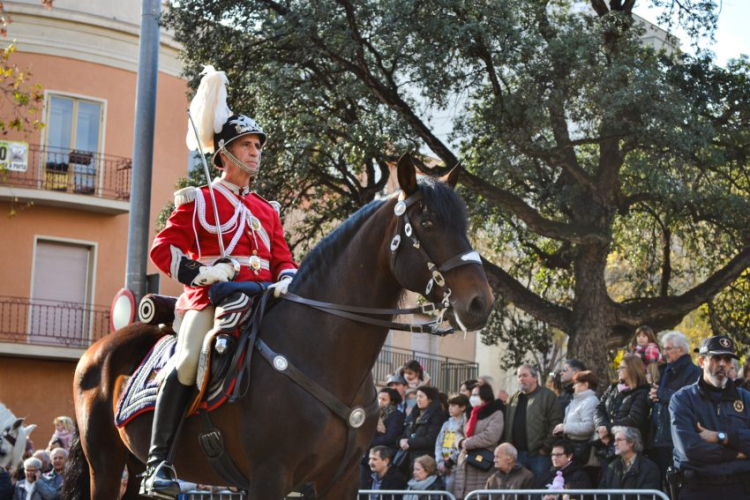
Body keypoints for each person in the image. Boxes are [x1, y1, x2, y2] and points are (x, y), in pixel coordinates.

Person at [144, 66, 298, 499]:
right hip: (210, 298)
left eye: (257, 146)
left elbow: (282, 257)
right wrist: (200, 273)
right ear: (224, 156)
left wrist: (287, 278)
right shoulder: (199, 200)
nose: (255, 153)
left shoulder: (268, 210)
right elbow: (161, 249)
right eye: (246, 146)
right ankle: (158, 464)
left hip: (261, 296)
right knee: (190, 359)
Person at [671, 335, 750, 498]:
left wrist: (723, 437)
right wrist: (738, 453)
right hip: (699, 489)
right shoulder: (683, 399)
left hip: (739, 489)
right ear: (701, 362)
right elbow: (690, 449)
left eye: (727, 359)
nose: (722, 364)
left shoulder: (745, 399)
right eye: (716, 358)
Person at [648, 330, 700, 481]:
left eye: (668, 349)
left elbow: (689, 400)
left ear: (681, 350)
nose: (664, 353)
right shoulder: (665, 370)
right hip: (660, 438)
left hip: (678, 438)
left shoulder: (695, 372)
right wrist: (651, 394)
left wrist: (661, 394)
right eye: (663, 349)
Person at [504, 364, 563, 481]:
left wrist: (545, 448)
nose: (521, 379)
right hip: (517, 454)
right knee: (518, 489)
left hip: (538, 455)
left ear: (535, 378)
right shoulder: (513, 398)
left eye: (525, 375)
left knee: (538, 488)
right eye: (519, 376)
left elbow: (555, 423)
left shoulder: (548, 396)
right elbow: (507, 423)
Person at [594, 354, 650, 466]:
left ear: (632, 369)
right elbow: (599, 408)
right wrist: (601, 427)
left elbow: (634, 419)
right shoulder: (613, 388)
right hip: (607, 444)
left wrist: (608, 429)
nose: (618, 370)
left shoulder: (642, 392)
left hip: (628, 446)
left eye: (622, 367)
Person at [453, 383, 504, 499]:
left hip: (481, 462)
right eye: (472, 394)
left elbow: (491, 435)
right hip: (464, 461)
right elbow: (459, 431)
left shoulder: (495, 413)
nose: (472, 397)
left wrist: (468, 443)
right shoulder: (470, 413)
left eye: (476, 394)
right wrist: (461, 442)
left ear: (485, 396)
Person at [361, 387, 406, 490]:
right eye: (379, 398)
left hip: (385, 456)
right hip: (367, 457)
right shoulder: (373, 414)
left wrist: (368, 443)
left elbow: (390, 437)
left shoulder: (397, 416)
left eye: (384, 399)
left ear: (392, 402)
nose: (380, 402)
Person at [552, 371, 599, 469]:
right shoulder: (577, 400)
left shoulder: (590, 401)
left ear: (585, 384)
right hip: (573, 446)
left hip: (581, 449)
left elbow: (589, 427)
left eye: (576, 384)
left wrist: (565, 428)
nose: (573, 387)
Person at [599, 426, 660, 499]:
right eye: (614, 440)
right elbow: (601, 495)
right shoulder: (611, 467)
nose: (615, 444)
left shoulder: (650, 468)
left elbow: (647, 497)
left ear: (631, 442)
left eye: (618, 440)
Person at [399, 386, 447, 473]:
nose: (417, 399)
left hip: (425, 460)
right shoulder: (413, 414)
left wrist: (409, 442)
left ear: (430, 399)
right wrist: (400, 441)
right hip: (408, 459)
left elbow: (431, 439)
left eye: (421, 396)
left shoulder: (437, 416)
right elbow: (404, 434)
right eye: (416, 397)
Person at [434, 394, 468, 493]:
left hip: (456, 467)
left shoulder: (465, 424)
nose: (450, 408)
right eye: (449, 406)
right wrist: (440, 462)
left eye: (453, 406)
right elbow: (439, 444)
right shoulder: (446, 424)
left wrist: (449, 464)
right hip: (442, 466)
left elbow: (462, 447)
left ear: (462, 407)